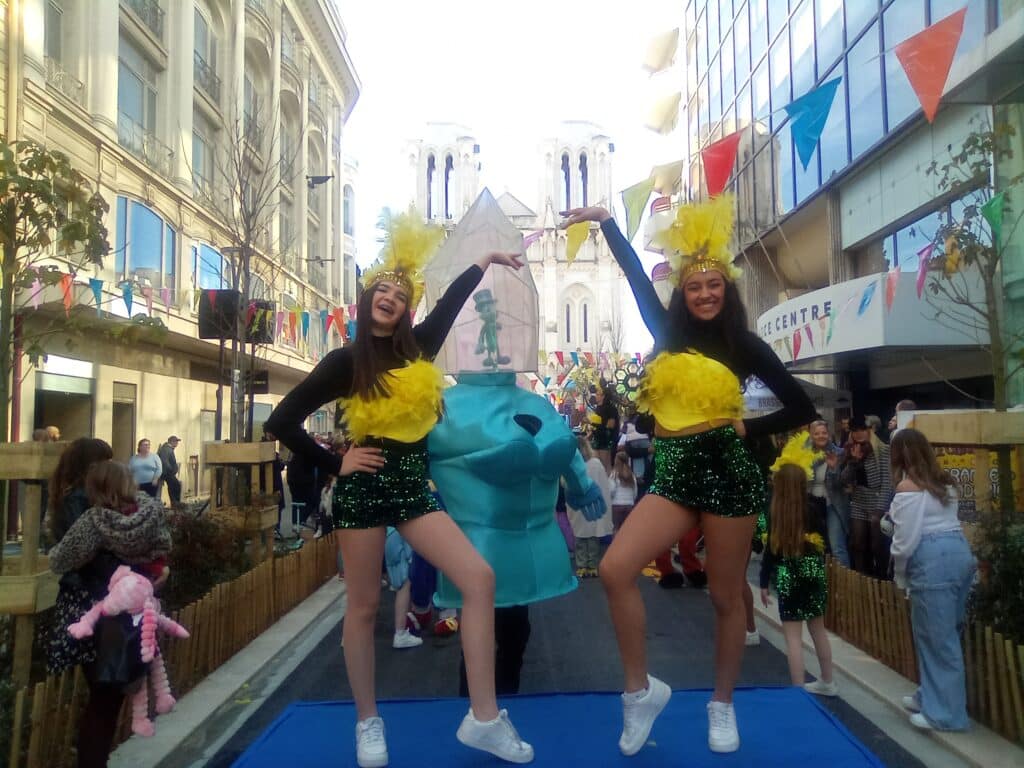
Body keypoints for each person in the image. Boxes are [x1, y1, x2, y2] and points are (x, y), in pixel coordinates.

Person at [264, 213, 532, 768]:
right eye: (381, 289)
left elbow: (451, 304)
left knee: (479, 579)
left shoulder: (419, 349)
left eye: (400, 293)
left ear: (407, 308)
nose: (390, 297)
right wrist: (337, 462)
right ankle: (368, 721)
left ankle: (484, 718)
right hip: (364, 491)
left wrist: (482, 263)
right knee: (362, 608)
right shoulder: (344, 361)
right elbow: (283, 421)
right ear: (367, 301)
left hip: (413, 488)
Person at [562, 195, 815, 756]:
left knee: (725, 598)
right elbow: (631, 277)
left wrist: (749, 429)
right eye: (695, 286)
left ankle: (721, 704)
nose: (704, 294)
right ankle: (639, 691)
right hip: (675, 473)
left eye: (714, 287)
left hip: (729, 473)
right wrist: (607, 223)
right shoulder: (666, 331)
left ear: (726, 292)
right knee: (614, 567)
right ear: (684, 292)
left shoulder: (744, 344)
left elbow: (802, 407)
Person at [887, 428, 976, 731]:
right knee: (945, 633)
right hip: (959, 554)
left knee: (936, 638)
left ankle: (946, 715)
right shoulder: (946, 485)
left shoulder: (907, 488)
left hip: (932, 561)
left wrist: (900, 575)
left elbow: (906, 541)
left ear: (899, 455)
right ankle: (932, 697)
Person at [759, 433, 837, 697]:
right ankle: (828, 681)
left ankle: (798, 690)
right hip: (813, 571)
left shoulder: (775, 513)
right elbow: (825, 542)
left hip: (788, 574)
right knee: (818, 630)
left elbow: (768, 551)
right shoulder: (813, 507)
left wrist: (763, 583)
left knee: (793, 637)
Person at [842, 415, 892, 578]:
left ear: (870, 430)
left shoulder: (883, 450)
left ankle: (881, 579)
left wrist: (879, 511)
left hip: (877, 500)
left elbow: (887, 482)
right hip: (859, 500)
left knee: (877, 546)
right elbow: (843, 480)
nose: (858, 433)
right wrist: (853, 462)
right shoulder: (851, 449)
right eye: (854, 430)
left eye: (862, 429)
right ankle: (862, 578)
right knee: (857, 544)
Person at [566, 437, 613, 578]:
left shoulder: (572, 464)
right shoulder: (595, 463)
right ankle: (591, 565)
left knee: (581, 537)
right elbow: (604, 485)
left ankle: (583, 566)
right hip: (593, 505)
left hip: (580, 506)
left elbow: (566, 484)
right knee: (591, 537)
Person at [809, 421, 849, 566]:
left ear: (829, 434)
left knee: (837, 546)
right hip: (811, 505)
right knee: (815, 546)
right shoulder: (804, 454)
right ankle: (821, 583)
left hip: (833, 504)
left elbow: (841, 484)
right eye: (817, 433)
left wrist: (832, 469)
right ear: (811, 436)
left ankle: (845, 586)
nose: (821, 436)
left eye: (824, 433)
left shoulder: (839, 453)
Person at [384, 527, 423, 649]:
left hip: (386, 535)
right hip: (396, 535)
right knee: (404, 584)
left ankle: (347, 636)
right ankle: (400, 633)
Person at [589, 383, 619, 472]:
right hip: (597, 438)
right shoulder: (598, 408)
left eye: (598, 394)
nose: (596, 396)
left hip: (606, 440)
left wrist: (593, 423)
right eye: (596, 394)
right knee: (596, 466)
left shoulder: (611, 408)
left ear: (604, 396)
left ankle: (608, 484)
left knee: (605, 466)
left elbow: (610, 426)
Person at [609, 450, 638, 533]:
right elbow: (635, 492)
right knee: (628, 531)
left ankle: (617, 545)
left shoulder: (614, 474)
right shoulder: (632, 475)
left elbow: (611, 490)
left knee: (616, 529)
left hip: (617, 505)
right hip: (629, 505)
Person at [157, 436, 182, 506]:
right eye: (176, 441)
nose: (177, 443)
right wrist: (171, 470)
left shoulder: (168, 449)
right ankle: (175, 503)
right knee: (176, 486)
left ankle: (175, 503)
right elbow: (164, 461)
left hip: (167, 473)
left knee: (173, 486)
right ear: (172, 442)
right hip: (167, 473)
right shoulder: (167, 449)